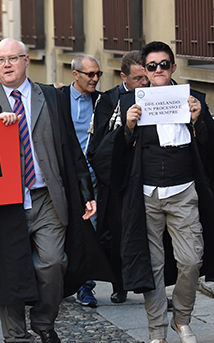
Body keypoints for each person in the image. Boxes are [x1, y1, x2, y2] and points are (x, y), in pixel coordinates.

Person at [94, 41, 214, 343]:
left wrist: (199, 121)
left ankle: (182, 317)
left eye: (164, 65)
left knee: (191, 259)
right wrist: (127, 128)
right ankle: (157, 333)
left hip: (184, 192)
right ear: (144, 71)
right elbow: (103, 152)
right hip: (145, 195)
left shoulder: (194, 100)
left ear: (173, 68)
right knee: (151, 265)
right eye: (152, 66)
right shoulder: (127, 104)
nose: (159, 71)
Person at [0, 38, 110, 343]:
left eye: (11, 59)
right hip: (5, 202)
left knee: (53, 262)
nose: (5, 65)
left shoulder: (51, 96)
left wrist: (86, 193)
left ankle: (44, 322)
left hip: (48, 196)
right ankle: (16, 341)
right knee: (11, 271)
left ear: (25, 60)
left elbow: (72, 148)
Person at [88, 50, 148, 304]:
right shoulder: (109, 99)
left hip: (148, 173)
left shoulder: (162, 93)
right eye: (137, 79)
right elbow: (98, 142)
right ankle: (119, 284)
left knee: (150, 233)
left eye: (145, 77)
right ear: (124, 76)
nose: (143, 83)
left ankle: (151, 289)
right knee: (116, 231)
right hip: (117, 176)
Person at [58, 54, 103, 308]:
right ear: (76, 75)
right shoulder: (59, 98)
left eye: (98, 74)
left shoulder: (103, 101)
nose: (95, 79)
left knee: (90, 230)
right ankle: (59, 283)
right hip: (64, 177)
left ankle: (86, 287)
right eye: (90, 74)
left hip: (92, 178)